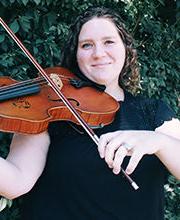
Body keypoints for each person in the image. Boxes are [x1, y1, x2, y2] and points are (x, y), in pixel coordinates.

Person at [0, 6, 180, 220]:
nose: (98, 53)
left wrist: (159, 141)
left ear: (126, 48)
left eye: (109, 42)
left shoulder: (153, 111)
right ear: (76, 55)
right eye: (87, 45)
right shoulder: (47, 110)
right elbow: (16, 181)